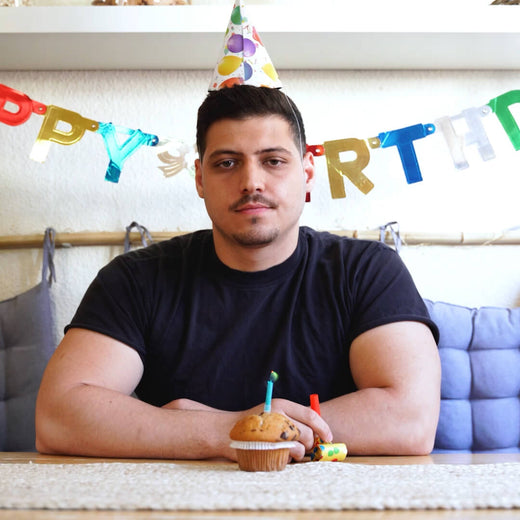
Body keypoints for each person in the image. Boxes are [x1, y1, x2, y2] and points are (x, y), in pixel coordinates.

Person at [35, 85, 441, 461]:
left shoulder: (367, 270)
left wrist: (244, 429)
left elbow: (411, 420)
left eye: (273, 161)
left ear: (307, 174)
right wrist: (223, 432)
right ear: (200, 179)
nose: (251, 182)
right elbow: (58, 417)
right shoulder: (135, 279)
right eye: (227, 163)